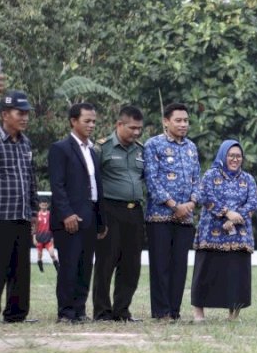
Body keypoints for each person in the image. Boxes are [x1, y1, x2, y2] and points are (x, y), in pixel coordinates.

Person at [49, 103, 108, 323]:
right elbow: (58, 185)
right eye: (87, 121)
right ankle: (66, 312)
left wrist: (101, 220)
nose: (92, 125)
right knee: (69, 266)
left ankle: (80, 310)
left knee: (85, 266)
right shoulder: (60, 148)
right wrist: (66, 214)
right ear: (74, 121)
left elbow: (96, 186)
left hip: (91, 216)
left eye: (94, 121)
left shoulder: (92, 151)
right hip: (70, 219)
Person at [0, 90, 39, 323]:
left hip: (22, 215)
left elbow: (30, 178)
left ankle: (16, 313)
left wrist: (34, 212)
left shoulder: (26, 143)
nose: (25, 117)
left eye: (27, 113)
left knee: (20, 268)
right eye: (20, 113)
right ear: (5, 114)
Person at [191, 140, 257, 321]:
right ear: (223, 155)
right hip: (211, 231)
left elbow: (253, 202)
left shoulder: (248, 179)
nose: (235, 159)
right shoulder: (210, 175)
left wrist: (236, 218)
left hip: (239, 235)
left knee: (236, 274)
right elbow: (205, 196)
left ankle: (234, 314)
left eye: (238, 156)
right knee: (206, 271)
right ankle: (199, 313)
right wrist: (226, 213)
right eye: (231, 155)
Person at [144, 103, 199, 321]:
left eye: (186, 120)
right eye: (178, 120)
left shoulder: (191, 147)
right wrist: (174, 205)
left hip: (185, 218)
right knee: (160, 266)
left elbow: (197, 178)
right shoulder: (153, 145)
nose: (183, 124)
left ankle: (174, 311)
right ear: (166, 121)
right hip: (160, 216)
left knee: (179, 266)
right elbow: (152, 179)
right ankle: (161, 311)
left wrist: (191, 203)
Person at [92, 105, 146, 322]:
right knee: (106, 263)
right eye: (132, 128)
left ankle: (122, 310)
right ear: (119, 125)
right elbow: (93, 183)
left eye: (140, 129)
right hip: (110, 210)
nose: (136, 133)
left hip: (135, 212)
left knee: (131, 264)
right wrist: (98, 218)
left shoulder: (141, 150)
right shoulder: (101, 148)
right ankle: (102, 311)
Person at [34, 198, 60, 272]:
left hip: (48, 238)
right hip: (39, 238)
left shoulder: (50, 215)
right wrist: (34, 238)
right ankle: (41, 268)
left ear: (47, 205)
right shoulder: (37, 215)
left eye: (45, 205)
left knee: (52, 254)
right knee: (39, 255)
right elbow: (35, 227)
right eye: (42, 205)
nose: (44, 206)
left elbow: (53, 226)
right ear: (39, 205)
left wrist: (53, 237)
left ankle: (58, 269)